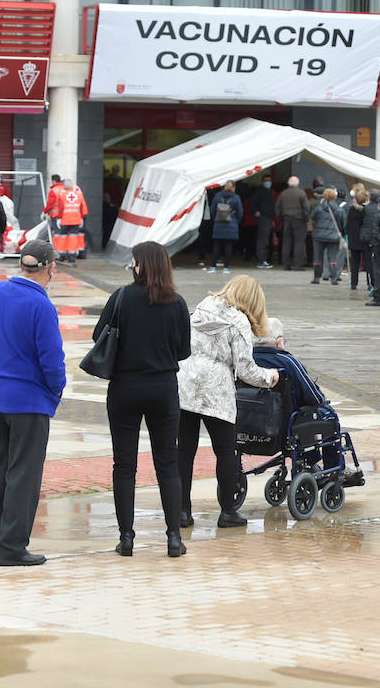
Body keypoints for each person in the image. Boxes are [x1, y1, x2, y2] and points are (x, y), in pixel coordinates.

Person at [0, 239, 66, 566]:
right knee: (23, 473)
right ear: (50, 267)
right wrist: (56, 390)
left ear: (22, 265)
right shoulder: (41, 305)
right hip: (30, 400)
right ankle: (11, 546)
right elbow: (52, 359)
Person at [94, 242, 191, 557]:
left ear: (141, 266)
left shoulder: (122, 297)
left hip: (125, 387)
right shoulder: (176, 303)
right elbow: (184, 351)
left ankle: (126, 538)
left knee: (124, 464)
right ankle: (173, 538)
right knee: (167, 463)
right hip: (163, 388)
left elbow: (99, 336)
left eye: (134, 262)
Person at [179, 275, 279, 528]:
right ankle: (227, 512)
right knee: (225, 451)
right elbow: (246, 369)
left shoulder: (203, 306)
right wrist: (270, 377)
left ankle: (181, 511)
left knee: (184, 452)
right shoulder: (239, 321)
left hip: (186, 384)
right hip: (216, 391)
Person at [309, 186, 347, 286]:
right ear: (334, 197)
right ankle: (334, 279)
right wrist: (342, 235)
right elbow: (343, 224)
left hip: (319, 236)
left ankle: (316, 278)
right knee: (333, 257)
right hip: (334, 236)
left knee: (317, 257)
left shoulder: (319, 208)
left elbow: (312, 217)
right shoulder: (339, 210)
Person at [207, 180, 243, 275]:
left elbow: (212, 209)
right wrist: (236, 221)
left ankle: (213, 267)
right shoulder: (236, 198)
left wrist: (216, 218)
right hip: (232, 223)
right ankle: (226, 268)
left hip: (219, 223)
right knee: (228, 246)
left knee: (217, 246)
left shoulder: (218, 196)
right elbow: (240, 212)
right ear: (234, 188)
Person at [276, 176, 309, 270]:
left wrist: (281, 219)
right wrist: (305, 218)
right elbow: (306, 208)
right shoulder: (301, 193)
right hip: (299, 220)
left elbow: (278, 208)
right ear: (298, 183)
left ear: (288, 183)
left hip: (286, 219)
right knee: (299, 243)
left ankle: (286, 265)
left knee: (286, 242)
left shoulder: (283, 194)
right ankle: (298, 265)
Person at [347, 187, 371, 292]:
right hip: (365, 239)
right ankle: (369, 283)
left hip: (353, 239)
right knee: (368, 263)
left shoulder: (352, 209)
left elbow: (347, 224)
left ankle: (353, 283)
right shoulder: (367, 210)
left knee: (355, 263)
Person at [248, 176, 276, 268]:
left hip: (268, 218)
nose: (268, 182)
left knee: (265, 240)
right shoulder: (260, 191)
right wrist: (255, 211)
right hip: (264, 217)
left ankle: (263, 260)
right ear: (262, 181)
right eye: (266, 181)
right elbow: (252, 201)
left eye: (269, 180)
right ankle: (261, 260)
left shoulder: (269, 192)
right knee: (262, 240)